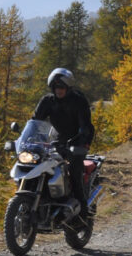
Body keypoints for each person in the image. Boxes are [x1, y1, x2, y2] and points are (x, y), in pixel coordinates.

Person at [32, 68, 95, 220]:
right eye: (56, 87)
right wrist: (31, 139)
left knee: (74, 171)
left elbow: (85, 125)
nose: (58, 90)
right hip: (57, 140)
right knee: (39, 166)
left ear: (68, 87)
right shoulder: (47, 101)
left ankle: (82, 213)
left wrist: (82, 143)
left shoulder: (78, 100)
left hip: (78, 139)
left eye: (61, 87)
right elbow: (35, 121)